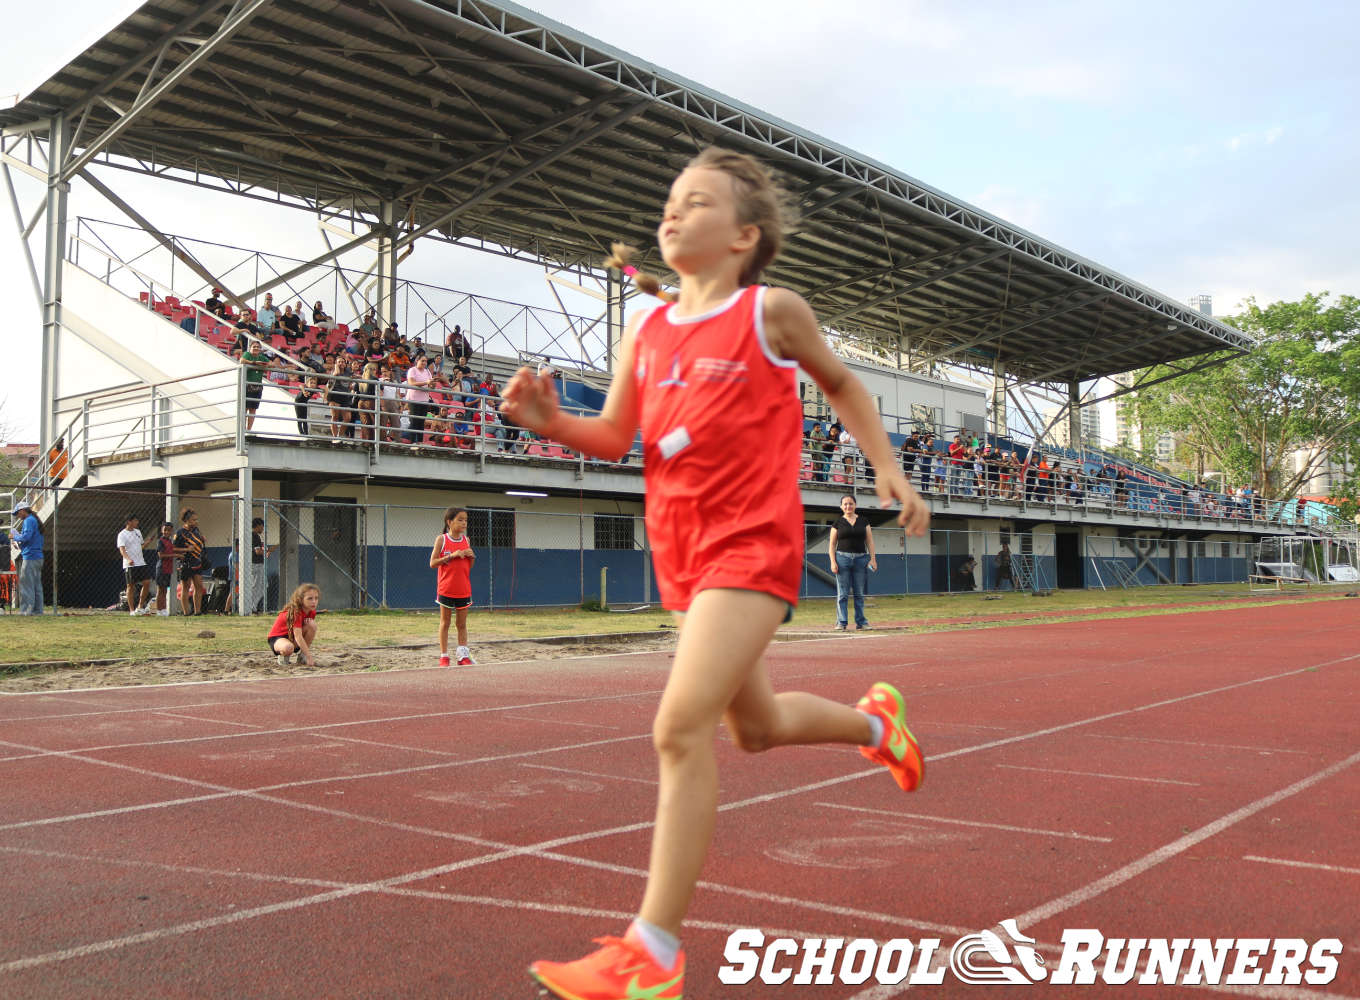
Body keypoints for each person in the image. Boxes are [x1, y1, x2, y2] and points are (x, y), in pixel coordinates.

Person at [501, 147, 929, 1000]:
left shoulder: (772, 311)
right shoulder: (645, 330)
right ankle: (878, 728)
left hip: (751, 544)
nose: (672, 212)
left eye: (696, 202)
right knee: (755, 729)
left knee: (678, 727)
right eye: (670, 200)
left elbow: (843, 386)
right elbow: (615, 436)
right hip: (682, 551)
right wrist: (552, 422)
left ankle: (651, 952)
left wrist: (885, 465)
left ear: (744, 235)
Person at [430, 506, 475, 667]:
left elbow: (468, 566)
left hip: (463, 589)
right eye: (460, 520)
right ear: (450, 522)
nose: (464, 523)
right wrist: (452, 556)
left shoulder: (466, 540)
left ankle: (463, 656)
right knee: (445, 622)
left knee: (461, 624)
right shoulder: (441, 540)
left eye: (466, 520)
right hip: (446, 589)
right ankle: (444, 656)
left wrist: (471, 556)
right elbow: (433, 563)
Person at [828, 493, 876, 630]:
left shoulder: (864, 521)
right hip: (842, 559)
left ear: (855, 505)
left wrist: (873, 559)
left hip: (861, 559)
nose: (848, 506)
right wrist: (833, 562)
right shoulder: (837, 523)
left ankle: (861, 622)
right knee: (842, 593)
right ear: (841, 506)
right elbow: (831, 545)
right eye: (845, 504)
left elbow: (870, 541)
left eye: (851, 503)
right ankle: (841, 622)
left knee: (859, 593)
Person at [267, 583, 320, 666]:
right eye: (310, 598)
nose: (314, 601)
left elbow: (305, 631)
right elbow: (298, 636)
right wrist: (309, 656)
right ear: (301, 600)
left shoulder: (311, 612)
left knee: (312, 625)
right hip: (279, 638)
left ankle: (302, 656)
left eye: (316, 598)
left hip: (293, 638)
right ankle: (283, 657)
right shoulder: (296, 612)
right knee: (288, 647)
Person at [116, 514, 156, 616]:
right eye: (135, 520)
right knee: (131, 586)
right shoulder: (122, 534)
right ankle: (131, 610)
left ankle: (140, 606)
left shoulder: (138, 532)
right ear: (129, 522)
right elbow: (122, 549)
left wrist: (148, 542)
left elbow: (141, 546)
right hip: (130, 565)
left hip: (141, 562)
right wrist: (128, 559)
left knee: (146, 582)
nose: (137, 522)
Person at [11, 501, 44, 615]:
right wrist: (18, 543)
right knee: (36, 585)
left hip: (30, 557)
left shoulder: (28, 520)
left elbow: (26, 537)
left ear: (22, 510)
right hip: (37, 556)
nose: (18, 516)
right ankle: (38, 611)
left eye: (18, 513)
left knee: (26, 585)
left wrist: (14, 536)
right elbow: (30, 540)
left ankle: (26, 611)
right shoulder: (34, 520)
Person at [174, 508, 208, 615]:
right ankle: (186, 612)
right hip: (185, 563)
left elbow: (199, 542)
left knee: (199, 586)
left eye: (196, 519)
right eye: (193, 520)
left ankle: (197, 611)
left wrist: (202, 539)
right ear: (187, 520)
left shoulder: (196, 530)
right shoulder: (180, 533)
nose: (196, 522)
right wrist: (186, 550)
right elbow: (174, 548)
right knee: (186, 587)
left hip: (197, 562)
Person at [241, 338, 269, 432]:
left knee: (253, 409)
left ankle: (249, 430)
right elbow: (242, 361)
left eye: (258, 347)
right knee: (245, 408)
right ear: (250, 348)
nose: (256, 348)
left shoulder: (261, 357)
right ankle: (243, 429)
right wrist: (254, 363)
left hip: (257, 386)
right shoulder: (247, 354)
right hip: (247, 385)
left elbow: (271, 364)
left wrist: (263, 365)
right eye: (254, 347)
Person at [249, 517, 273, 614]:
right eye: (262, 527)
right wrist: (267, 551)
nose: (263, 529)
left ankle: (253, 606)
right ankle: (252, 607)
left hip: (255, 564)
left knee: (263, 585)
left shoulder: (252, 536)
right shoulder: (255, 536)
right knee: (258, 586)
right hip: (257, 564)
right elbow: (258, 551)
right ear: (258, 526)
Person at [154, 521, 179, 615]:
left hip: (168, 568)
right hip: (161, 568)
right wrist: (175, 555)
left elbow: (173, 550)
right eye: (165, 530)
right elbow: (161, 555)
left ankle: (163, 609)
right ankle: (158, 610)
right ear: (162, 530)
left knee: (165, 590)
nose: (167, 532)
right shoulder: (160, 541)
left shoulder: (170, 541)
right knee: (160, 590)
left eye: (169, 530)